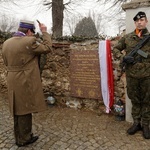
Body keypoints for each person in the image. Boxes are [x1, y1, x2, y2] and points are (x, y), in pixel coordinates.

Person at [2, 20, 53, 146]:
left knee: (17, 108)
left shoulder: (7, 43)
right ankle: (24, 139)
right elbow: (47, 47)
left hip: (12, 78)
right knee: (25, 108)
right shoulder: (29, 42)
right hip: (24, 79)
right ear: (29, 31)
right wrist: (45, 31)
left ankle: (19, 136)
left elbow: (5, 61)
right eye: (33, 32)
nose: (32, 35)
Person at [113, 11, 150, 139]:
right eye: (137, 21)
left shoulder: (149, 38)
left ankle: (145, 125)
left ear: (146, 22)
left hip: (147, 76)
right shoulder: (127, 38)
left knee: (146, 100)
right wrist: (123, 58)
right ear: (134, 23)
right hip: (132, 75)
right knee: (134, 100)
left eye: (142, 20)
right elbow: (116, 49)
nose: (139, 22)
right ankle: (136, 123)